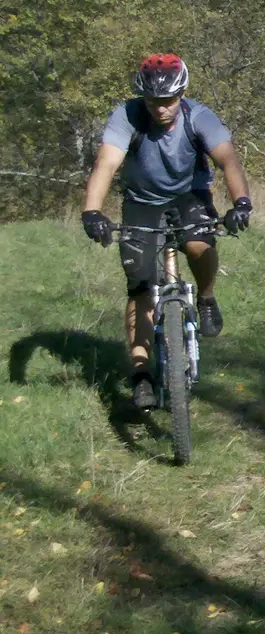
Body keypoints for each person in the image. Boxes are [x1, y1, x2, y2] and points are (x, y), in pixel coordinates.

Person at [79, 54, 253, 410]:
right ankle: (141, 372)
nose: (161, 109)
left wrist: (242, 203)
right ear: (143, 98)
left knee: (198, 245)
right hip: (141, 200)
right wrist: (91, 211)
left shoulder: (199, 117)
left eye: (169, 101)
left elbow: (228, 161)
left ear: (182, 94)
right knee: (142, 284)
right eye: (153, 102)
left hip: (190, 195)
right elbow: (106, 163)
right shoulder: (127, 116)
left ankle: (205, 298)